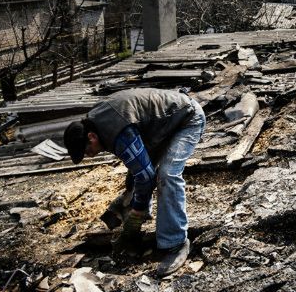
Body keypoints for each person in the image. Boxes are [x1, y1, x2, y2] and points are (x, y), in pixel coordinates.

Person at [63, 88, 205, 276]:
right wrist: (132, 193)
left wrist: (137, 213)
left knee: (167, 175)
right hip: (162, 126)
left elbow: (146, 176)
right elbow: (137, 167)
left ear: (91, 137)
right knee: (135, 177)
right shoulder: (95, 123)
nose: (89, 155)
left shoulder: (117, 130)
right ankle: (130, 211)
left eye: (87, 151)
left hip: (187, 119)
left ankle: (176, 243)